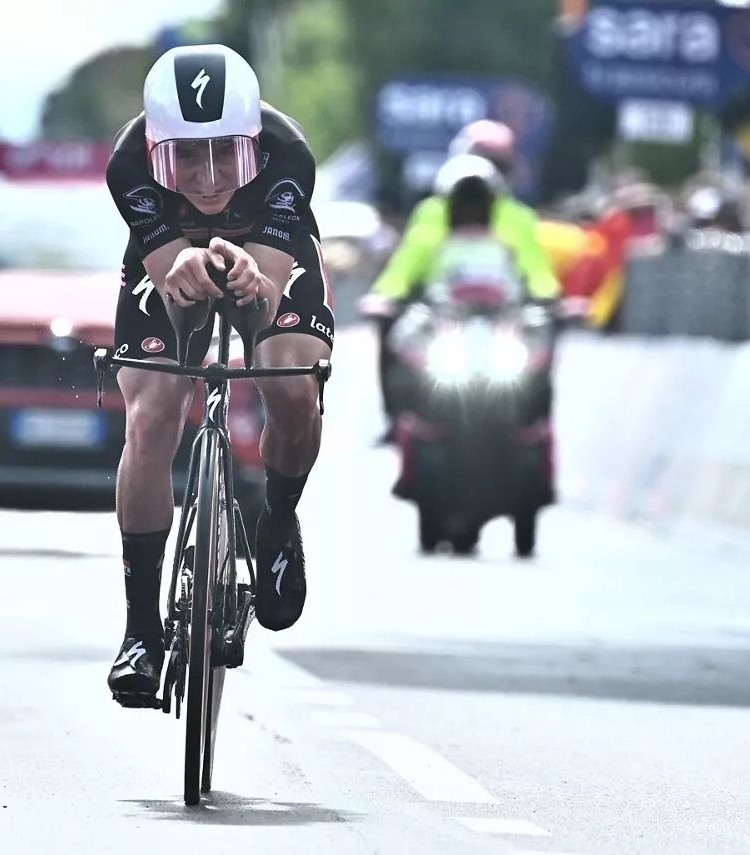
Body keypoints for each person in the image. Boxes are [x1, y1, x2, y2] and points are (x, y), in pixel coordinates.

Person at [103, 44, 335, 704]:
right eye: (184, 157)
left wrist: (240, 269)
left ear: (254, 143)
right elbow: (170, 278)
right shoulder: (127, 164)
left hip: (267, 251)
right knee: (150, 417)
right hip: (170, 260)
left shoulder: (289, 154)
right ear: (153, 151)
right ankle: (141, 627)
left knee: (290, 386)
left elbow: (262, 299)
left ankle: (277, 519)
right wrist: (183, 268)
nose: (206, 178)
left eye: (225, 153)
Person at [365, 120, 560, 442]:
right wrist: (385, 297)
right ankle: (396, 414)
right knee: (392, 330)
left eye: (496, 165)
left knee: (545, 337)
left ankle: (534, 418)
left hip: (503, 314)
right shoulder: (431, 212)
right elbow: (407, 262)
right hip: (442, 311)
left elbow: (537, 270)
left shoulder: (518, 217)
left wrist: (549, 298)